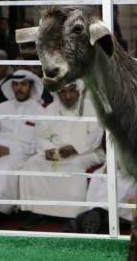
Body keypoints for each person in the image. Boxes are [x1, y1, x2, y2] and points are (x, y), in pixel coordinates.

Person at [19, 80, 105, 230]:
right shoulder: (50, 109)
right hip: (56, 152)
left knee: (73, 166)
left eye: (71, 91)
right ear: (57, 94)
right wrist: (48, 149)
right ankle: (36, 212)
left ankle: (72, 215)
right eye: (63, 92)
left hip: (86, 152)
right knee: (32, 164)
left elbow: (96, 136)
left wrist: (74, 148)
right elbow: (40, 136)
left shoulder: (91, 108)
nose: (68, 96)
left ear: (79, 91)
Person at [0, 70, 45, 216]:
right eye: (15, 85)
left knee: (6, 169)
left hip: (21, 154)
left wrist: (11, 151)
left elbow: (38, 144)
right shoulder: (1, 107)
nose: (19, 88)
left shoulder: (40, 111)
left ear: (31, 86)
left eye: (23, 84)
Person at [75, 163, 137, 233]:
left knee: (121, 179)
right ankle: (94, 212)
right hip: (117, 166)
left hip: (136, 172)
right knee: (98, 174)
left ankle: (92, 214)